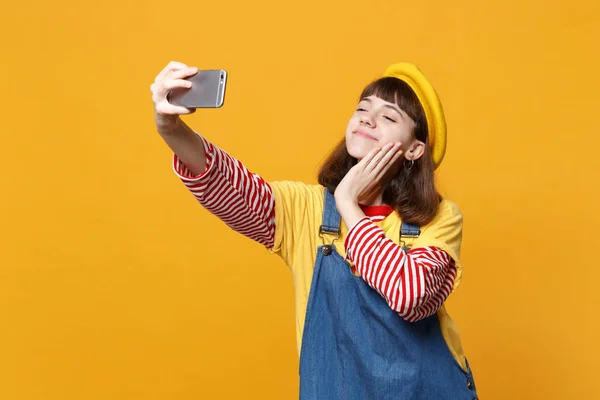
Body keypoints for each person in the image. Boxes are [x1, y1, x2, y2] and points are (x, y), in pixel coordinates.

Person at [150, 61, 479, 400]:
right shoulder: (306, 211)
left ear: (414, 149)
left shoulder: (438, 218)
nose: (367, 117)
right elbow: (230, 184)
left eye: (389, 116)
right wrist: (171, 129)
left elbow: (409, 297)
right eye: (363, 108)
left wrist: (349, 204)